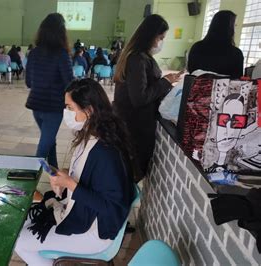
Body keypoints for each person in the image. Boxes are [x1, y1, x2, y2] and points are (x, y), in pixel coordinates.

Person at [15, 79, 136, 266]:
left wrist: (71, 184)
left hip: (95, 234)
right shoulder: (92, 134)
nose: (66, 113)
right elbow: (89, 175)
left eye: (70, 108)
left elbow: (111, 207)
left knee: (18, 240)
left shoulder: (106, 152)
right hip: (81, 214)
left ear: (88, 110)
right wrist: (64, 176)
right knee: (20, 222)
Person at [113, 14, 181, 181]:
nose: (161, 42)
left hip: (130, 123)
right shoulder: (137, 59)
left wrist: (166, 83)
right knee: (130, 173)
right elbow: (139, 98)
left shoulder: (138, 56)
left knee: (127, 174)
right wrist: (165, 81)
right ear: (151, 35)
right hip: (134, 126)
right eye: (161, 37)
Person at [25, 13, 73, 168]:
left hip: (36, 105)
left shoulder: (33, 53)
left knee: (49, 139)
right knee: (44, 146)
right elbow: (70, 83)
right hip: (53, 108)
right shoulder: (61, 54)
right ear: (61, 32)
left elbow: (28, 82)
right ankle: (29, 174)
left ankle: (54, 171)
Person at [187, 10, 243, 79]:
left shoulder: (197, 47)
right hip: (223, 89)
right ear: (229, 28)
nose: (235, 29)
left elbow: (191, 71)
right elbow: (237, 79)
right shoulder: (236, 53)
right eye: (235, 25)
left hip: (196, 88)